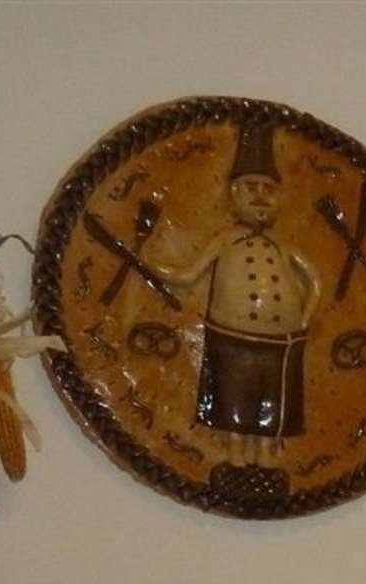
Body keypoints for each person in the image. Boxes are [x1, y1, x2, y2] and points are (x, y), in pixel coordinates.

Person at [149, 117, 320, 468]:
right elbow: (187, 275)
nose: (260, 196)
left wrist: (304, 319)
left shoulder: (283, 244)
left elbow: (315, 281)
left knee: (272, 405)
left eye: (268, 189)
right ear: (234, 194)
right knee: (234, 401)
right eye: (250, 187)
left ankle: (267, 462)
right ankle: (237, 460)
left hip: (281, 343)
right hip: (232, 338)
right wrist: (152, 264)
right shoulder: (225, 240)